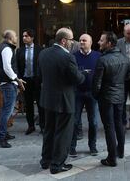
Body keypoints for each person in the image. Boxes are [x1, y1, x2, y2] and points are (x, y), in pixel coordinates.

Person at [38, 27, 85, 174]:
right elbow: (77, 79)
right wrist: (83, 74)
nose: (73, 43)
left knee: (49, 130)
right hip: (64, 101)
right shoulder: (67, 57)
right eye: (71, 40)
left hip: (47, 99)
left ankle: (46, 160)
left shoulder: (43, 53)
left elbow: (41, 75)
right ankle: (57, 164)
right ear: (64, 41)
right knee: (63, 133)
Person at [93, 32, 130, 167]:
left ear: (109, 43)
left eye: (101, 40)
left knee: (109, 127)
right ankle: (120, 152)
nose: (99, 42)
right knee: (119, 123)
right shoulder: (124, 58)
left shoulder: (102, 60)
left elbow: (97, 83)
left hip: (106, 97)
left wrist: (96, 95)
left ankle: (112, 158)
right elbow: (128, 76)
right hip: (119, 95)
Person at [70, 34, 101, 157]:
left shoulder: (98, 56)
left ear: (91, 42)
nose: (81, 42)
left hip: (92, 93)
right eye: (80, 40)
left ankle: (92, 146)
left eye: (84, 40)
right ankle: (72, 147)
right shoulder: (74, 57)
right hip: (77, 92)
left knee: (93, 121)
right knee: (74, 121)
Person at [0, 30, 26, 148]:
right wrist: (16, 79)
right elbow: (7, 67)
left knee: (5, 110)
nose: (17, 37)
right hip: (8, 84)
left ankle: (4, 133)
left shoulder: (4, 47)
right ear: (10, 38)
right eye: (15, 36)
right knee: (7, 111)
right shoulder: (7, 49)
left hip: (7, 83)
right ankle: (1, 137)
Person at [16, 29, 44, 135]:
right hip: (25, 80)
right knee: (28, 104)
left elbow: (42, 65)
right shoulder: (20, 51)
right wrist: (18, 79)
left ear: (32, 38)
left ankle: (43, 126)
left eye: (26, 36)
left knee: (41, 104)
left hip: (37, 80)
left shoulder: (39, 50)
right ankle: (30, 126)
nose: (24, 38)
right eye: (23, 36)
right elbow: (17, 66)